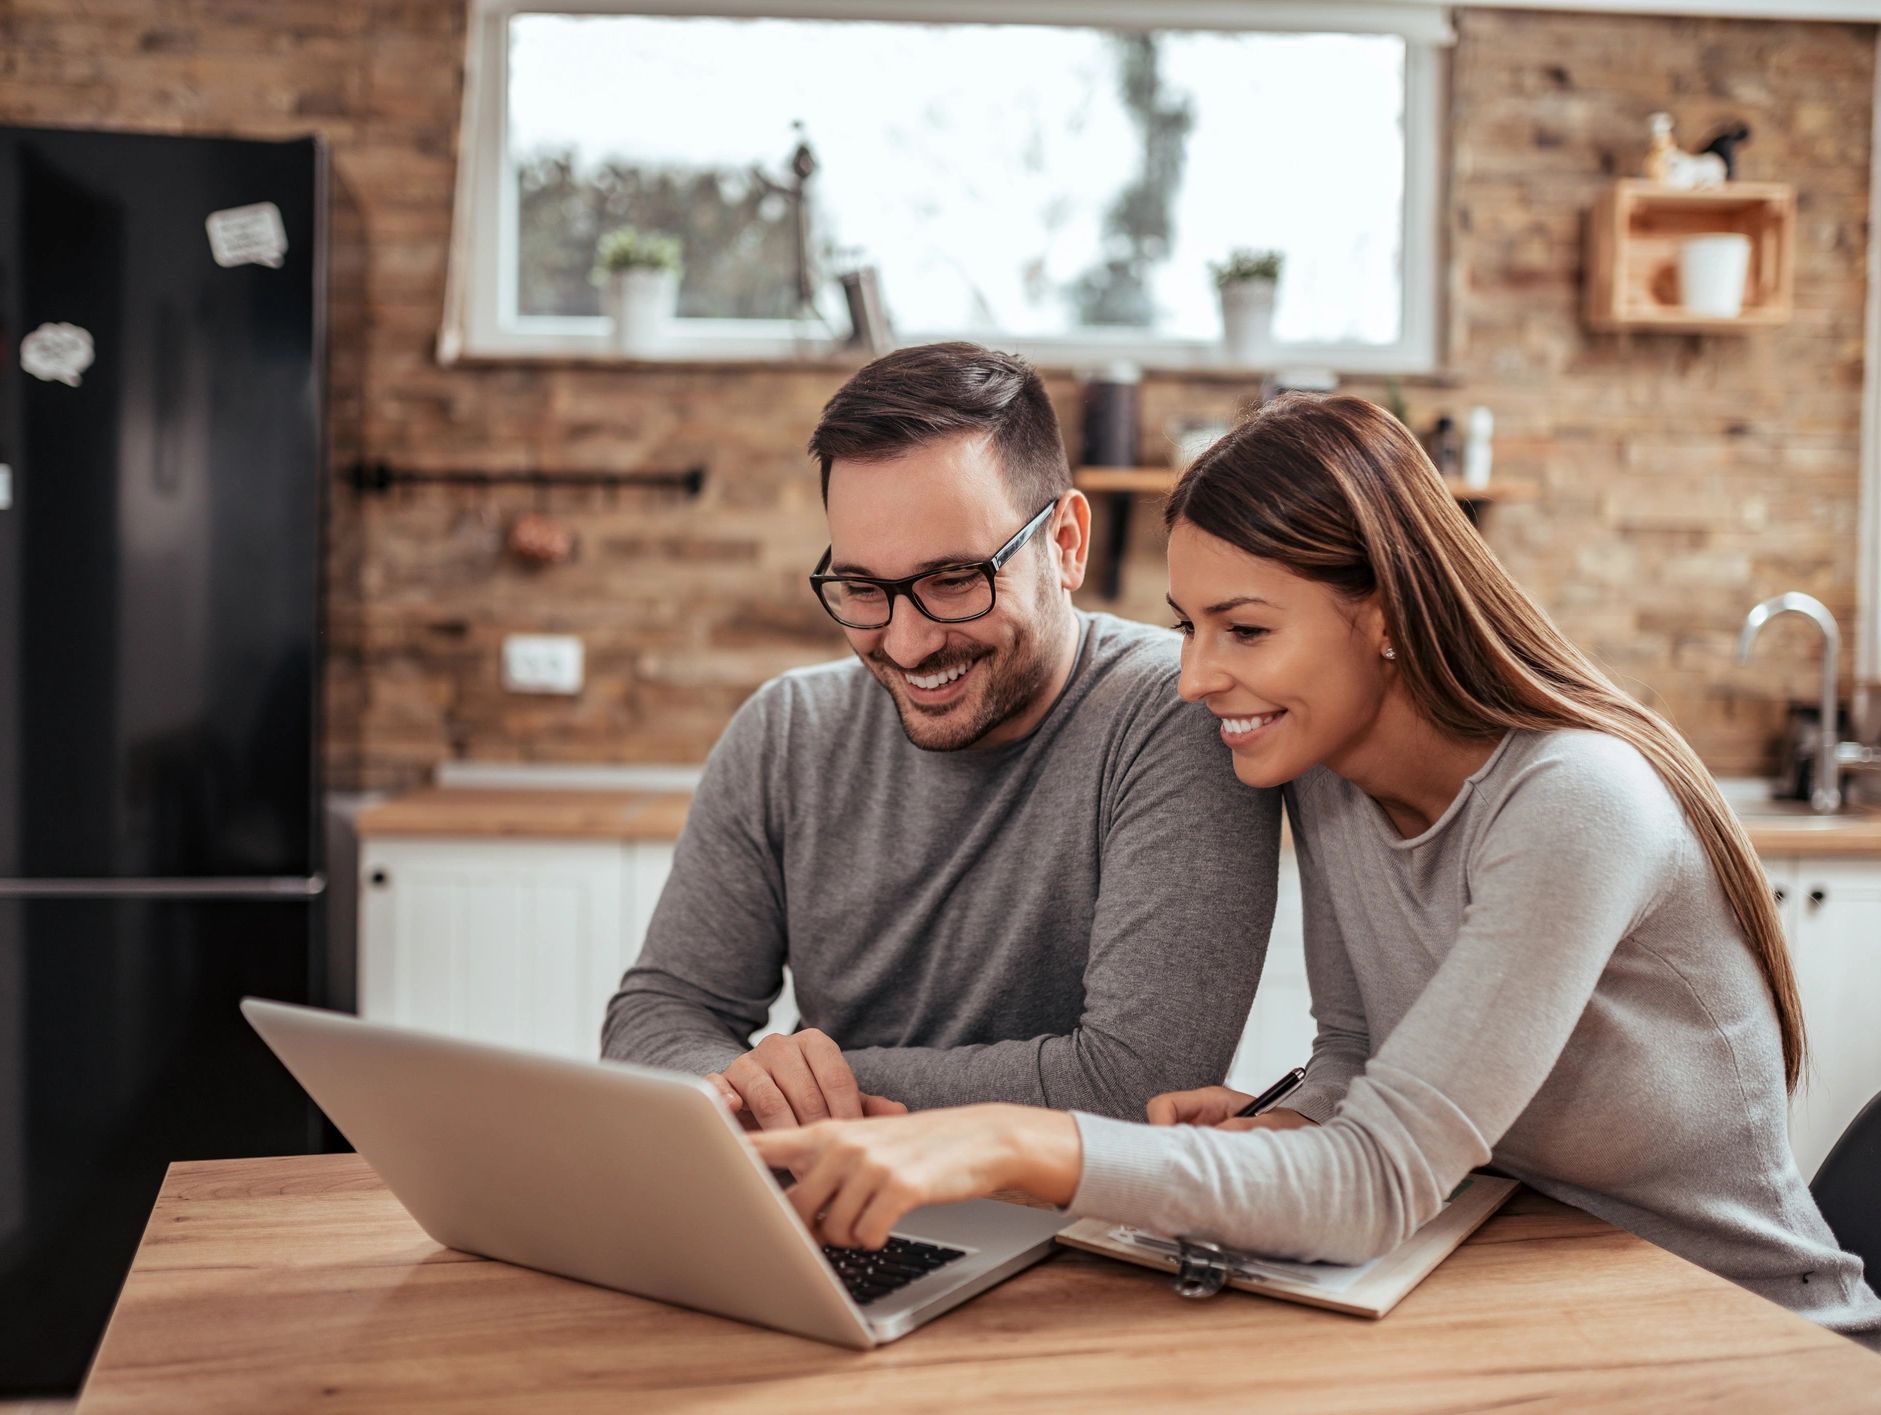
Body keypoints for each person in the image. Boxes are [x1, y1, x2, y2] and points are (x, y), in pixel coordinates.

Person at [749, 392, 1881, 1338]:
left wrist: (1011, 1136)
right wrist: (1288, 1119)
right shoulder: (1330, 774)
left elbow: (1382, 1179)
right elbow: (1355, 1059)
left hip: (1748, 1338)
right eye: (1187, 627)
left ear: (1380, 612)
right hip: (1528, 1297)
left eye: (1243, 630)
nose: (1195, 679)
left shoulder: (1575, 801)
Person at [601, 342, 1280, 1128]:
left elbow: (1137, 1080)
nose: (909, 642)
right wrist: (757, 1083)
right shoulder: (787, 730)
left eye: (953, 580)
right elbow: (656, 1016)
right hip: (827, 1198)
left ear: (1063, 543)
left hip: (1058, 1223)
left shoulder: (1177, 712)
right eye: (862, 587)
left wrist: (802, 1088)